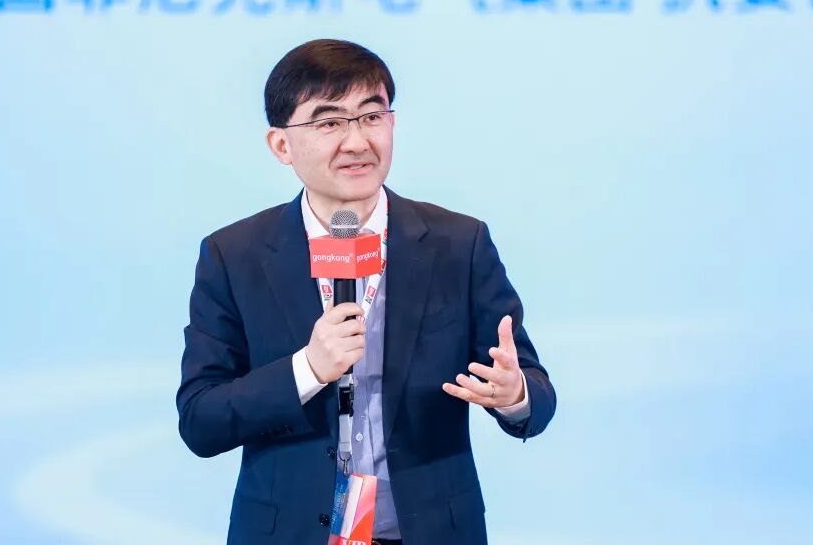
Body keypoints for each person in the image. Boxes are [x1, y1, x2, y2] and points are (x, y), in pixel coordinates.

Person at [176, 39, 556, 545]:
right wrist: (308, 369)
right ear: (281, 145)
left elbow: (537, 394)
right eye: (329, 122)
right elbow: (200, 421)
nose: (356, 141)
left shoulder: (458, 245)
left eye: (371, 116)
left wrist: (515, 395)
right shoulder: (234, 255)